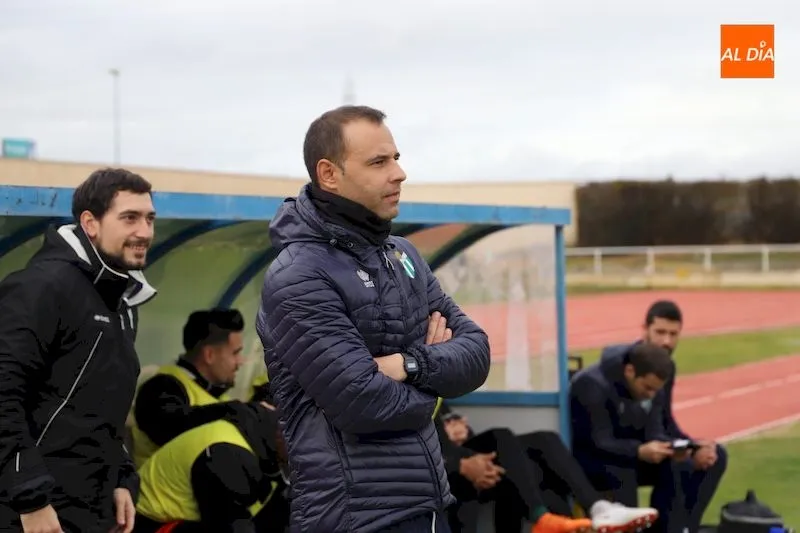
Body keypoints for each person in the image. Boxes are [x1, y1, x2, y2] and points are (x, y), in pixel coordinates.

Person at [256, 105, 491, 533]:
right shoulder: (299, 274)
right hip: (354, 517)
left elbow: (477, 352)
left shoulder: (402, 254)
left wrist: (409, 365)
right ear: (328, 174)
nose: (399, 173)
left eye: (396, 158)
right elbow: (363, 402)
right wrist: (436, 389)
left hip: (429, 503)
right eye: (379, 162)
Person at [0, 168, 157, 533]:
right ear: (90, 223)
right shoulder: (42, 288)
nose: (145, 232)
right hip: (29, 512)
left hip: (90, 506)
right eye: (129, 218)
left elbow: (102, 410)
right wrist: (31, 499)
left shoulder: (122, 300)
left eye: (149, 218)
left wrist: (121, 478)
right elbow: (4, 396)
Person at [597, 300, 727, 533]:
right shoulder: (625, 366)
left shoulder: (667, 366)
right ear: (644, 330)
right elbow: (604, 432)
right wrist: (651, 448)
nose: (666, 341)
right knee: (672, 464)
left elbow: (665, 420)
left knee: (715, 455)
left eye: (673, 334)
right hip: (618, 453)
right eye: (660, 332)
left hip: (650, 445)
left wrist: (693, 446)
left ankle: (686, 527)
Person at [436, 403, 658, 533]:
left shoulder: (431, 382)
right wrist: (459, 462)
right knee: (502, 438)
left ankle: (597, 507)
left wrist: (462, 431)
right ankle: (543, 517)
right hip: (441, 467)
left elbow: (447, 426)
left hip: (459, 454)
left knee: (543, 442)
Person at [570, 342, 719, 533]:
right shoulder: (592, 385)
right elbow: (597, 441)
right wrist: (639, 451)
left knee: (673, 464)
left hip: (629, 454)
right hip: (593, 459)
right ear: (630, 371)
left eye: (656, 390)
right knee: (624, 472)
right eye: (647, 388)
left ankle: (672, 529)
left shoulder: (651, 384)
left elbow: (654, 431)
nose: (651, 394)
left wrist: (680, 448)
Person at [131, 308, 276, 468]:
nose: (240, 361)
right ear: (209, 355)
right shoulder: (160, 386)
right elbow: (170, 426)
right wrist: (238, 411)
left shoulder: (216, 397)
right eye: (235, 353)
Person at [133, 401, 283, 533]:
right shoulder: (229, 454)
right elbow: (228, 524)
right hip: (149, 524)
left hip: (186, 519)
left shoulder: (265, 439)